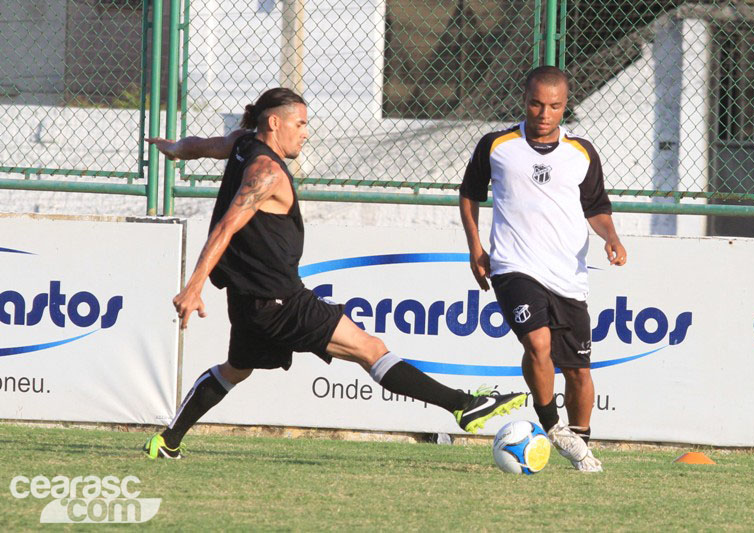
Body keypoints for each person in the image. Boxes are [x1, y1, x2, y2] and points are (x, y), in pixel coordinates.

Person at [142, 88, 526, 459]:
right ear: (275, 123)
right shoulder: (264, 171)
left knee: (235, 370)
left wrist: (175, 149)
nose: (306, 133)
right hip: (280, 301)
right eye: (301, 123)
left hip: (249, 299)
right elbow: (225, 227)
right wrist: (192, 288)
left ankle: (168, 441)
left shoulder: (243, 143)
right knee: (370, 349)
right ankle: (464, 406)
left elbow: (203, 146)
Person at [458, 66, 627, 472]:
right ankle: (552, 426)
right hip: (514, 266)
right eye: (536, 103)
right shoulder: (496, 145)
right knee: (536, 344)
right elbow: (469, 194)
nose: (544, 113)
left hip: (567, 275)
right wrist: (475, 247)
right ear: (525, 99)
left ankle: (580, 443)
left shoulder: (581, 152)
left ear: (565, 106)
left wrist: (611, 237)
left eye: (554, 106)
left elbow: (597, 208)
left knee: (578, 370)